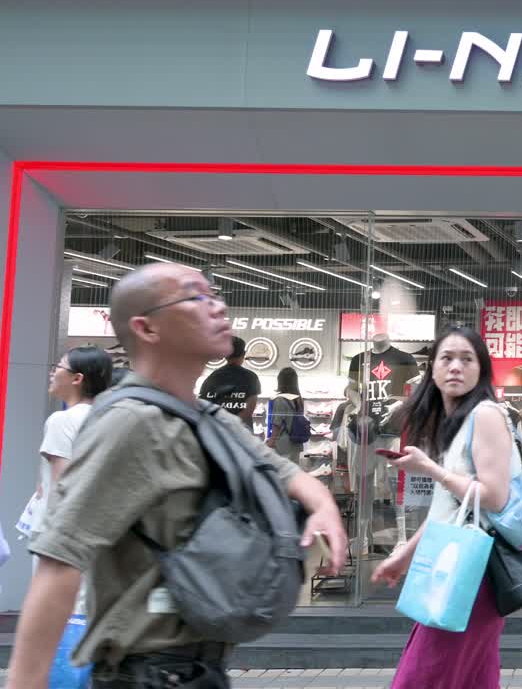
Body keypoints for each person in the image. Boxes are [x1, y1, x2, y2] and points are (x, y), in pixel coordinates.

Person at [4, 263, 347, 689]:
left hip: (197, 670)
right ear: (146, 328)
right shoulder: (131, 423)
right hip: (145, 673)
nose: (217, 307)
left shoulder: (209, 418)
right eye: (195, 298)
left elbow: (287, 473)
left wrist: (323, 505)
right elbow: (60, 562)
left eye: (214, 295)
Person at [372, 325, 519, 689]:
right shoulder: (456, 422)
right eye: (447, 358)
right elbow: (450, 508)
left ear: (481, 370)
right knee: (472, 677)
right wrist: (404, 556)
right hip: (463, 568)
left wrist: (430, 469)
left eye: (467, 359)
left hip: (473, 571)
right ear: (433, 369)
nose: (455, 367)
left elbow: (494, 496)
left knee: (423, 675)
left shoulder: (486, 415)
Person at [20, 347, 114, 547]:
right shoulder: (107, 417)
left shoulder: (62, 420)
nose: (52, 372)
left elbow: (61, 485)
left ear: (77, 379)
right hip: (93, 532)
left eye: (58, 366)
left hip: (57, 535)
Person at [198, 335, 260, 426]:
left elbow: (203, 404)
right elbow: (249, 409)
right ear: (243, 354)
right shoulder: (251, 377)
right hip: (242, 429)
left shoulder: (213, 377)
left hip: (217, 429)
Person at [267, 367, 306, 464]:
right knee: (293, 469)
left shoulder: (280, 399)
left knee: (282, 470)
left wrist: (271, 441)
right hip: (296, 441)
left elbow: (277, 423)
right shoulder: (298, 399)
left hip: (283, 443)